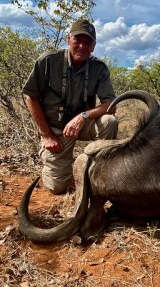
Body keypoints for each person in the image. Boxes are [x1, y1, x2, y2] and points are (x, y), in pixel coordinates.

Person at [22, 19, 119, 195]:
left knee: (109, 121)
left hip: (82, 125)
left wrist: (84, 116)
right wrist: (47, 135)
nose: (82, 45)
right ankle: (52, 158)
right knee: (57, 188)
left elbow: (111, 105)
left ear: (94, 46)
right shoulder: (49, 60)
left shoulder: (99, 68)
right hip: (56, 131)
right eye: (77, 40)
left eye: (88, 42)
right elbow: (31, 96)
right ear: (68, 39)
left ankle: (100, 172)